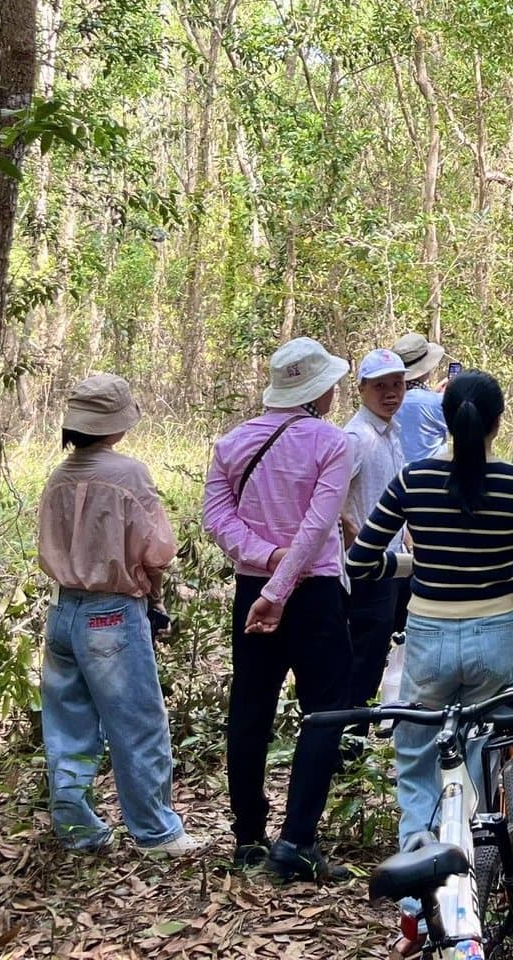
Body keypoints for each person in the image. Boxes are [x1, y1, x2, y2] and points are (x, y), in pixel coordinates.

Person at [346, 370, 513, 849]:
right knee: (482, 741)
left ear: (446, 420)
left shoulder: (414, 481)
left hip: (430, 634)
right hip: (497, 632)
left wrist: (414, 563)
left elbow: (362, 561)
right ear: (497, 423)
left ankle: (419, 870)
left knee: (417, 749)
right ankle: (472, 845)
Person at [202, 336, 354, 881]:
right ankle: (296, 842)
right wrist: (282, 583)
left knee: (250, 711)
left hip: (254, 591)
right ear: (321, 391)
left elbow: (216, 518)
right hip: (312, 596)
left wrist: (265, 567)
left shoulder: (232, 443)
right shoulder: (333, 444)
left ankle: (248, 839)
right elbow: (318, 527)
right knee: (324, 713)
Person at [35, 374, 205, 857]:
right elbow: (157, 549)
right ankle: (156, 832)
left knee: (67, 725)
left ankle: (77, 830)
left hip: (63, 607)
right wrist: (154, 594)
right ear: (117, 423)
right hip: (112, 611)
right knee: (137, 722)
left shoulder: (59, 476)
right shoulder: (128, 473)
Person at [341, 348, 410, 712]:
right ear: (362, 389)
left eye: (397, 385)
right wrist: (353, 532)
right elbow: (328, 493)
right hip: (368, 567)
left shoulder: (390, 432)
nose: (390, 393)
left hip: (396, 561)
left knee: (395, 646)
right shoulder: (357, 437)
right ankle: (352, 743)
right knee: (365, 657)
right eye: (380, 386)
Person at [390, 331, 449, 464]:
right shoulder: (436, 403)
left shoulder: (387, 401)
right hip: (432, 478)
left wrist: (433, 394)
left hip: (396, 478)